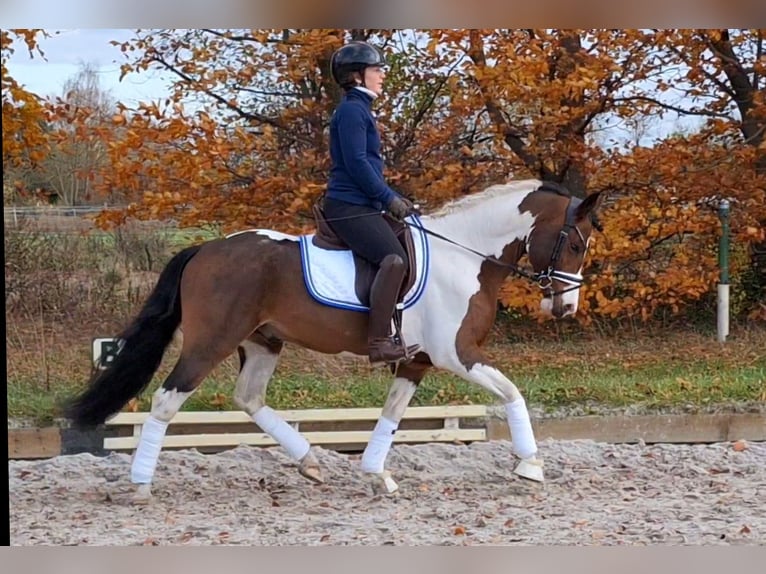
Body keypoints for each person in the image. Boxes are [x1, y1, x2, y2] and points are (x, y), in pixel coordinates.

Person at [323, 40, 421, 365]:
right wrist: (387, 197)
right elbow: (357, 164)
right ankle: (379, 342)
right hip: (348, 207)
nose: (382, 75)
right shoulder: (352, 111)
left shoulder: (360, 109)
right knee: (394, 259)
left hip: (361, 204)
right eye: (376, 70)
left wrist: (390, 197)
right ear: (356, 76)